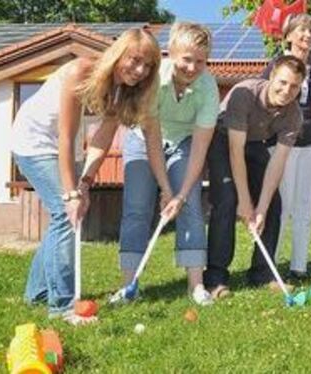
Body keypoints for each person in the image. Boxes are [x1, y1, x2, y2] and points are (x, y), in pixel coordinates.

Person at [11, 28, 167, 325]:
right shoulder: (81, 71)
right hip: (34, 141)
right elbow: (66, 139)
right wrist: (70, 194)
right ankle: (62, 307)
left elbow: (100, 140)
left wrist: (85, 183)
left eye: (148, 66)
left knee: (66, 215)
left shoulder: (125, 92)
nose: (140, 70)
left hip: (64, 146)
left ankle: (37, 293)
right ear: (118, 54)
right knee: (65, 216)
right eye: (134, 60)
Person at [114, 23, 220, 306]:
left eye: (200, 61)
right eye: (187, 58)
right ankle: (129, 286)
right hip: (143, 139)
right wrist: (165, 190)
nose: (192, 67)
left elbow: (200, 146)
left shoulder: (208, 87)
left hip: (184, 142)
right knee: (136, 209)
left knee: (192, 205)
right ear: (171, 53)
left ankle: (196, 286)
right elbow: (152, 138)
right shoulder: (154, 80)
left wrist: (181, 194)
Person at [204, 56, 306, 298]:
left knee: (273, 203)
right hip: (222, 140)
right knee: (227, 200)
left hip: (253, 142)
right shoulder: (244, 94)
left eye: (294, 86)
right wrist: (245, 202)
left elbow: (277, 163)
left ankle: (262, 273)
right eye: (282, 82)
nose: (286, 90)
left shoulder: (294, 114)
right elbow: (234, 152)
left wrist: (260, 207)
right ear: (271, 77)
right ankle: (216, 278)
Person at [261, 14, 311, 281]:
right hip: (280, 142)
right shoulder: (276, 65)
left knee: (304, 203)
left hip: (309, 141)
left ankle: (299, 266)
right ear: (288, 35)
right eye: (301, 30)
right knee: (283, 204)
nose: (307, 36)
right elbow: (266, 99)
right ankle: (270, 265)